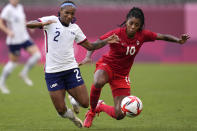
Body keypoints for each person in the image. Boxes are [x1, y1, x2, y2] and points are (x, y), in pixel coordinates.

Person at [80, 7, 190, 128]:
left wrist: (179, 41)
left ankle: (100, 107)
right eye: (131, 23)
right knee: (98, 81)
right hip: (107, 66)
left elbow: (162, 36)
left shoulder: (143, 35)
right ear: (126, 21)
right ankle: (91, 112)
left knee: (120, 114)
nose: (133, 27)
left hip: (122, 76)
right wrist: (88, 57)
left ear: (140, 26)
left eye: (136, 25)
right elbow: (96, 42)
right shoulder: (117, 33)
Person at [26, 1, 119, 128]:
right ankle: (72, 117)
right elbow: (29, 24)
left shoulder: (75, 28)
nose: (69, 16)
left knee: (86, 103)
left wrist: (107, 41)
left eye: (72, 14)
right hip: (52, 73)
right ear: (60, 12)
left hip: (71, 69)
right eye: (66, 13)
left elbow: (90, 46)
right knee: (61, 111)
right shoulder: (51, 20)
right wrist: (41, 24)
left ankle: (73, 99)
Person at [0, 0, 41, 94]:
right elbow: (1, 23)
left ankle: (23, 73)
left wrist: (29, 26)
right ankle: (1, 82)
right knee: (13, 63)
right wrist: (8, 31)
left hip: (24, 37)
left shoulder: (20, 7)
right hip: (14, 40)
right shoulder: (7, 9)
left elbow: (23, 20)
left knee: (37, 55)